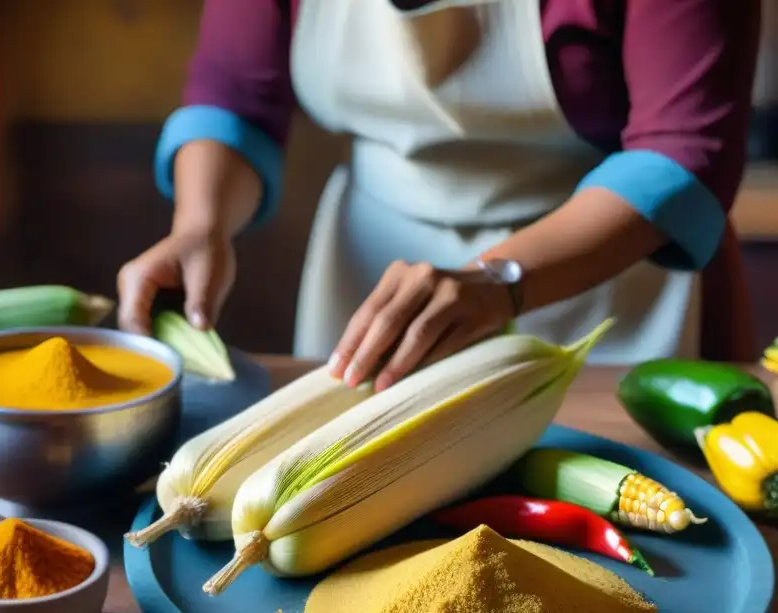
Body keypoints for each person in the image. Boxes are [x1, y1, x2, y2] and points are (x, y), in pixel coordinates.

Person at [117, 0, 761, 392]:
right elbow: (235, 99)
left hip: (610, 273)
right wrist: (200, 224)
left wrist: (499, 279)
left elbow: (684, 151)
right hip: (368, 274)